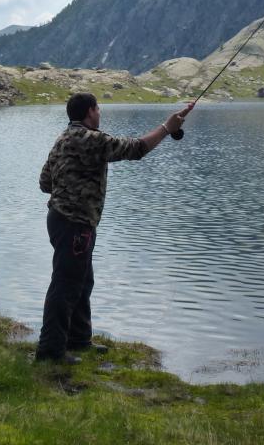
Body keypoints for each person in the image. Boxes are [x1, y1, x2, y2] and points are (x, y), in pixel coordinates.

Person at [35, 92, 193, 364]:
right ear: (88, 112)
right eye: (98, 108)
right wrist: (167, 128)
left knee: (82, 281)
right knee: (66, 285)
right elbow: (136, 149)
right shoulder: (91, 139)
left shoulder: (62, 138)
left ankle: (79, 340)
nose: (100, 113)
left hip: (61, 220)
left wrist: (68, 185)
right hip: (75, 224)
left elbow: (45, 183)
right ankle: (50, 352)